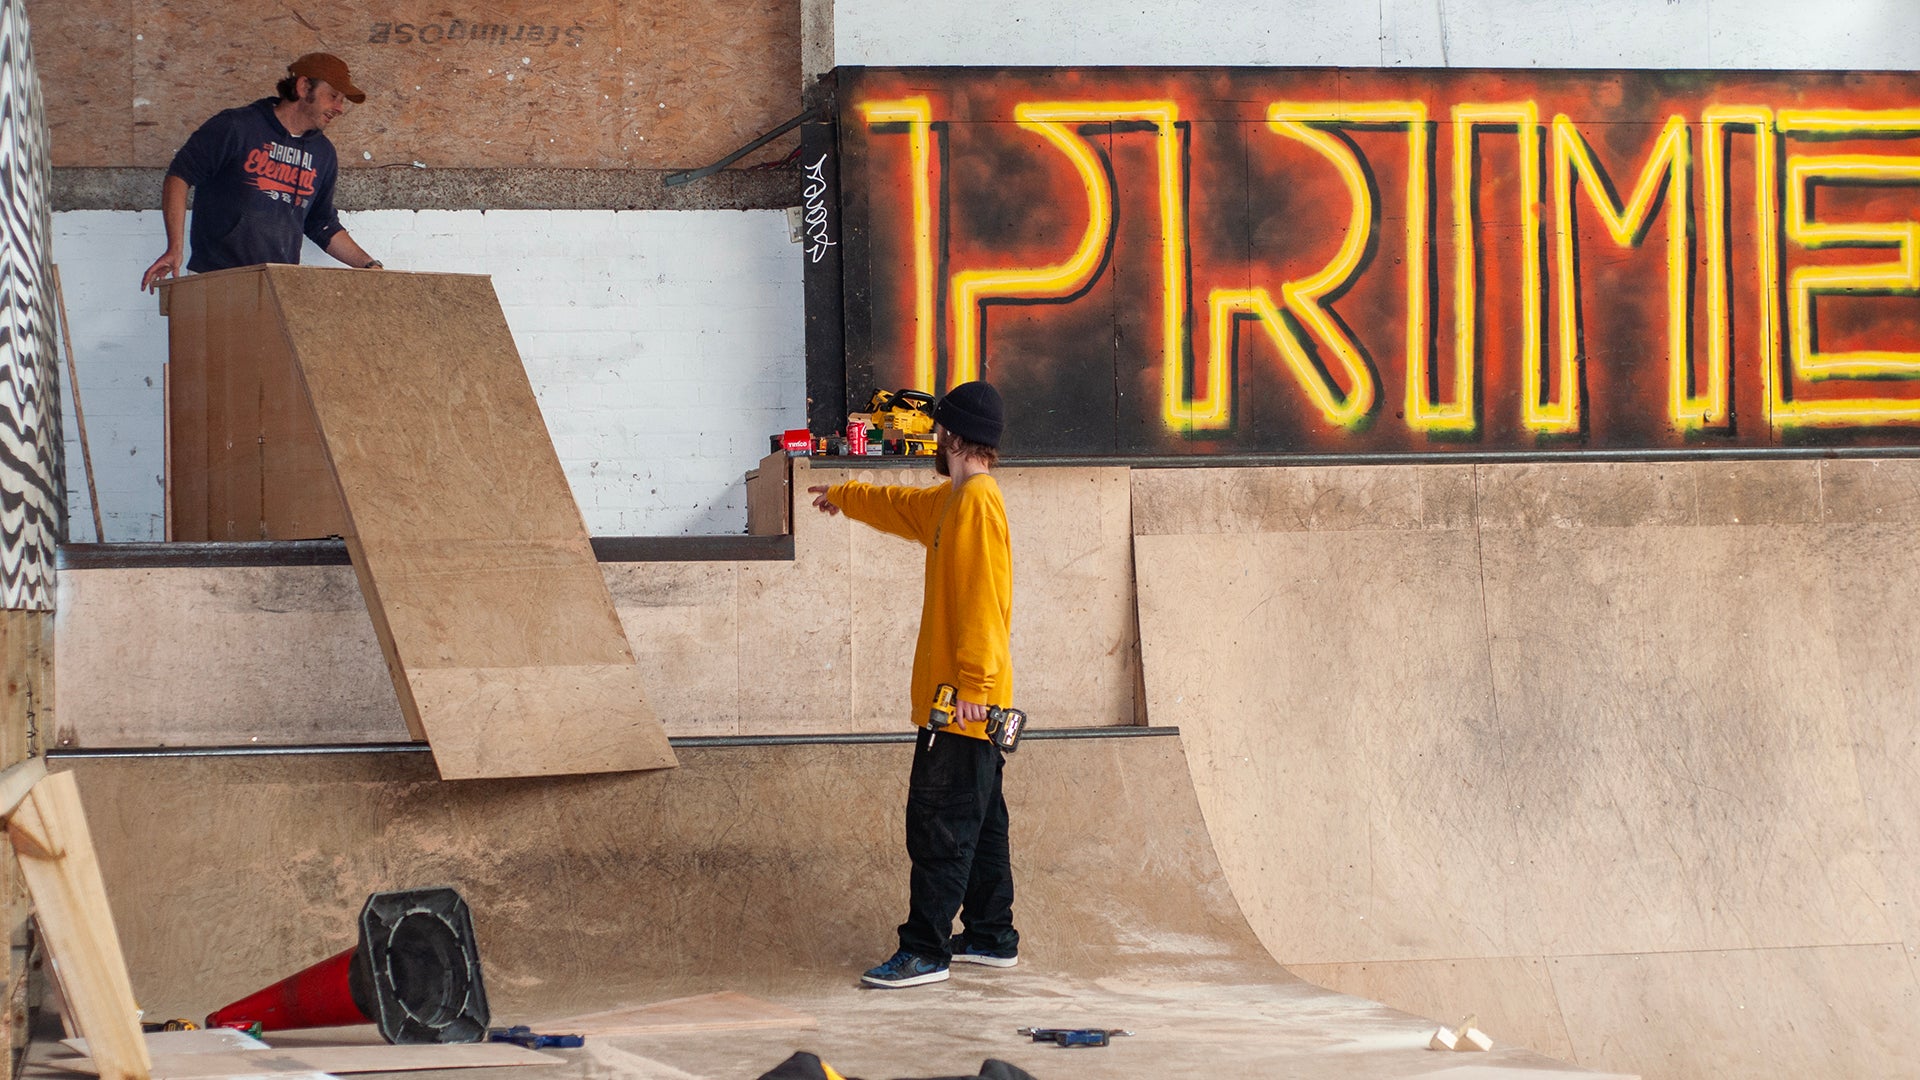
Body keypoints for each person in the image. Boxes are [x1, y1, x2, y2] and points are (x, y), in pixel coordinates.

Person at [807, 381, 1018, 989]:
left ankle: (925, 950)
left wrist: (975, 686)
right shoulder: (955, 501)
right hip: (974, 701)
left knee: (940, 823)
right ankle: (989, 934)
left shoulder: (976, 503)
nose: (932, 437)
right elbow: (901, 508)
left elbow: (982, 598)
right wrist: (845, 496)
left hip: (962, 702)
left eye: (937, 429)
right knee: (980, 822)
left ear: (952, 435)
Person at [141, 53, 384, 292]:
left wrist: (368, 266)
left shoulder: (323, 154)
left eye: (342, 100)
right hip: (217, 281)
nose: (339, 108)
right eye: (333, 96)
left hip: (278, 288)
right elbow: (179, 176)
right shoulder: (237, 127)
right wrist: (175, 248)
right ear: (303, 87)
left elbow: (321, 224)